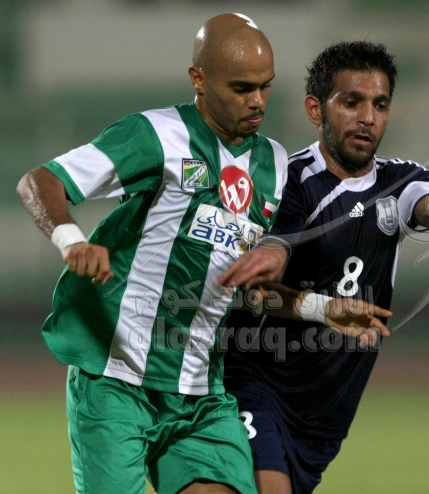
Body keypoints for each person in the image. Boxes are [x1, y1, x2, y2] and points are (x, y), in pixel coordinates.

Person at [17, 13, 300, 494]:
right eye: (241, 88)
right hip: (116, 382)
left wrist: (321, 309)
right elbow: (40, 181)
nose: (257, 101)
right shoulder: (156, 135)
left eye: (265, 86)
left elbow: (239, 285)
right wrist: (71, 241)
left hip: (200, 393)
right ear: (199, 79)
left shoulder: (274, 163)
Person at [218, 41, 429, 494]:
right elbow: (250, 291)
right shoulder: (289, 182)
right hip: (257, 381)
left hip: (327, 410)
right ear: (316, 109)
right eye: (351, 102)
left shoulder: (401, 180)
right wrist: (324, 308)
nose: (368, 117)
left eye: (380, 104)